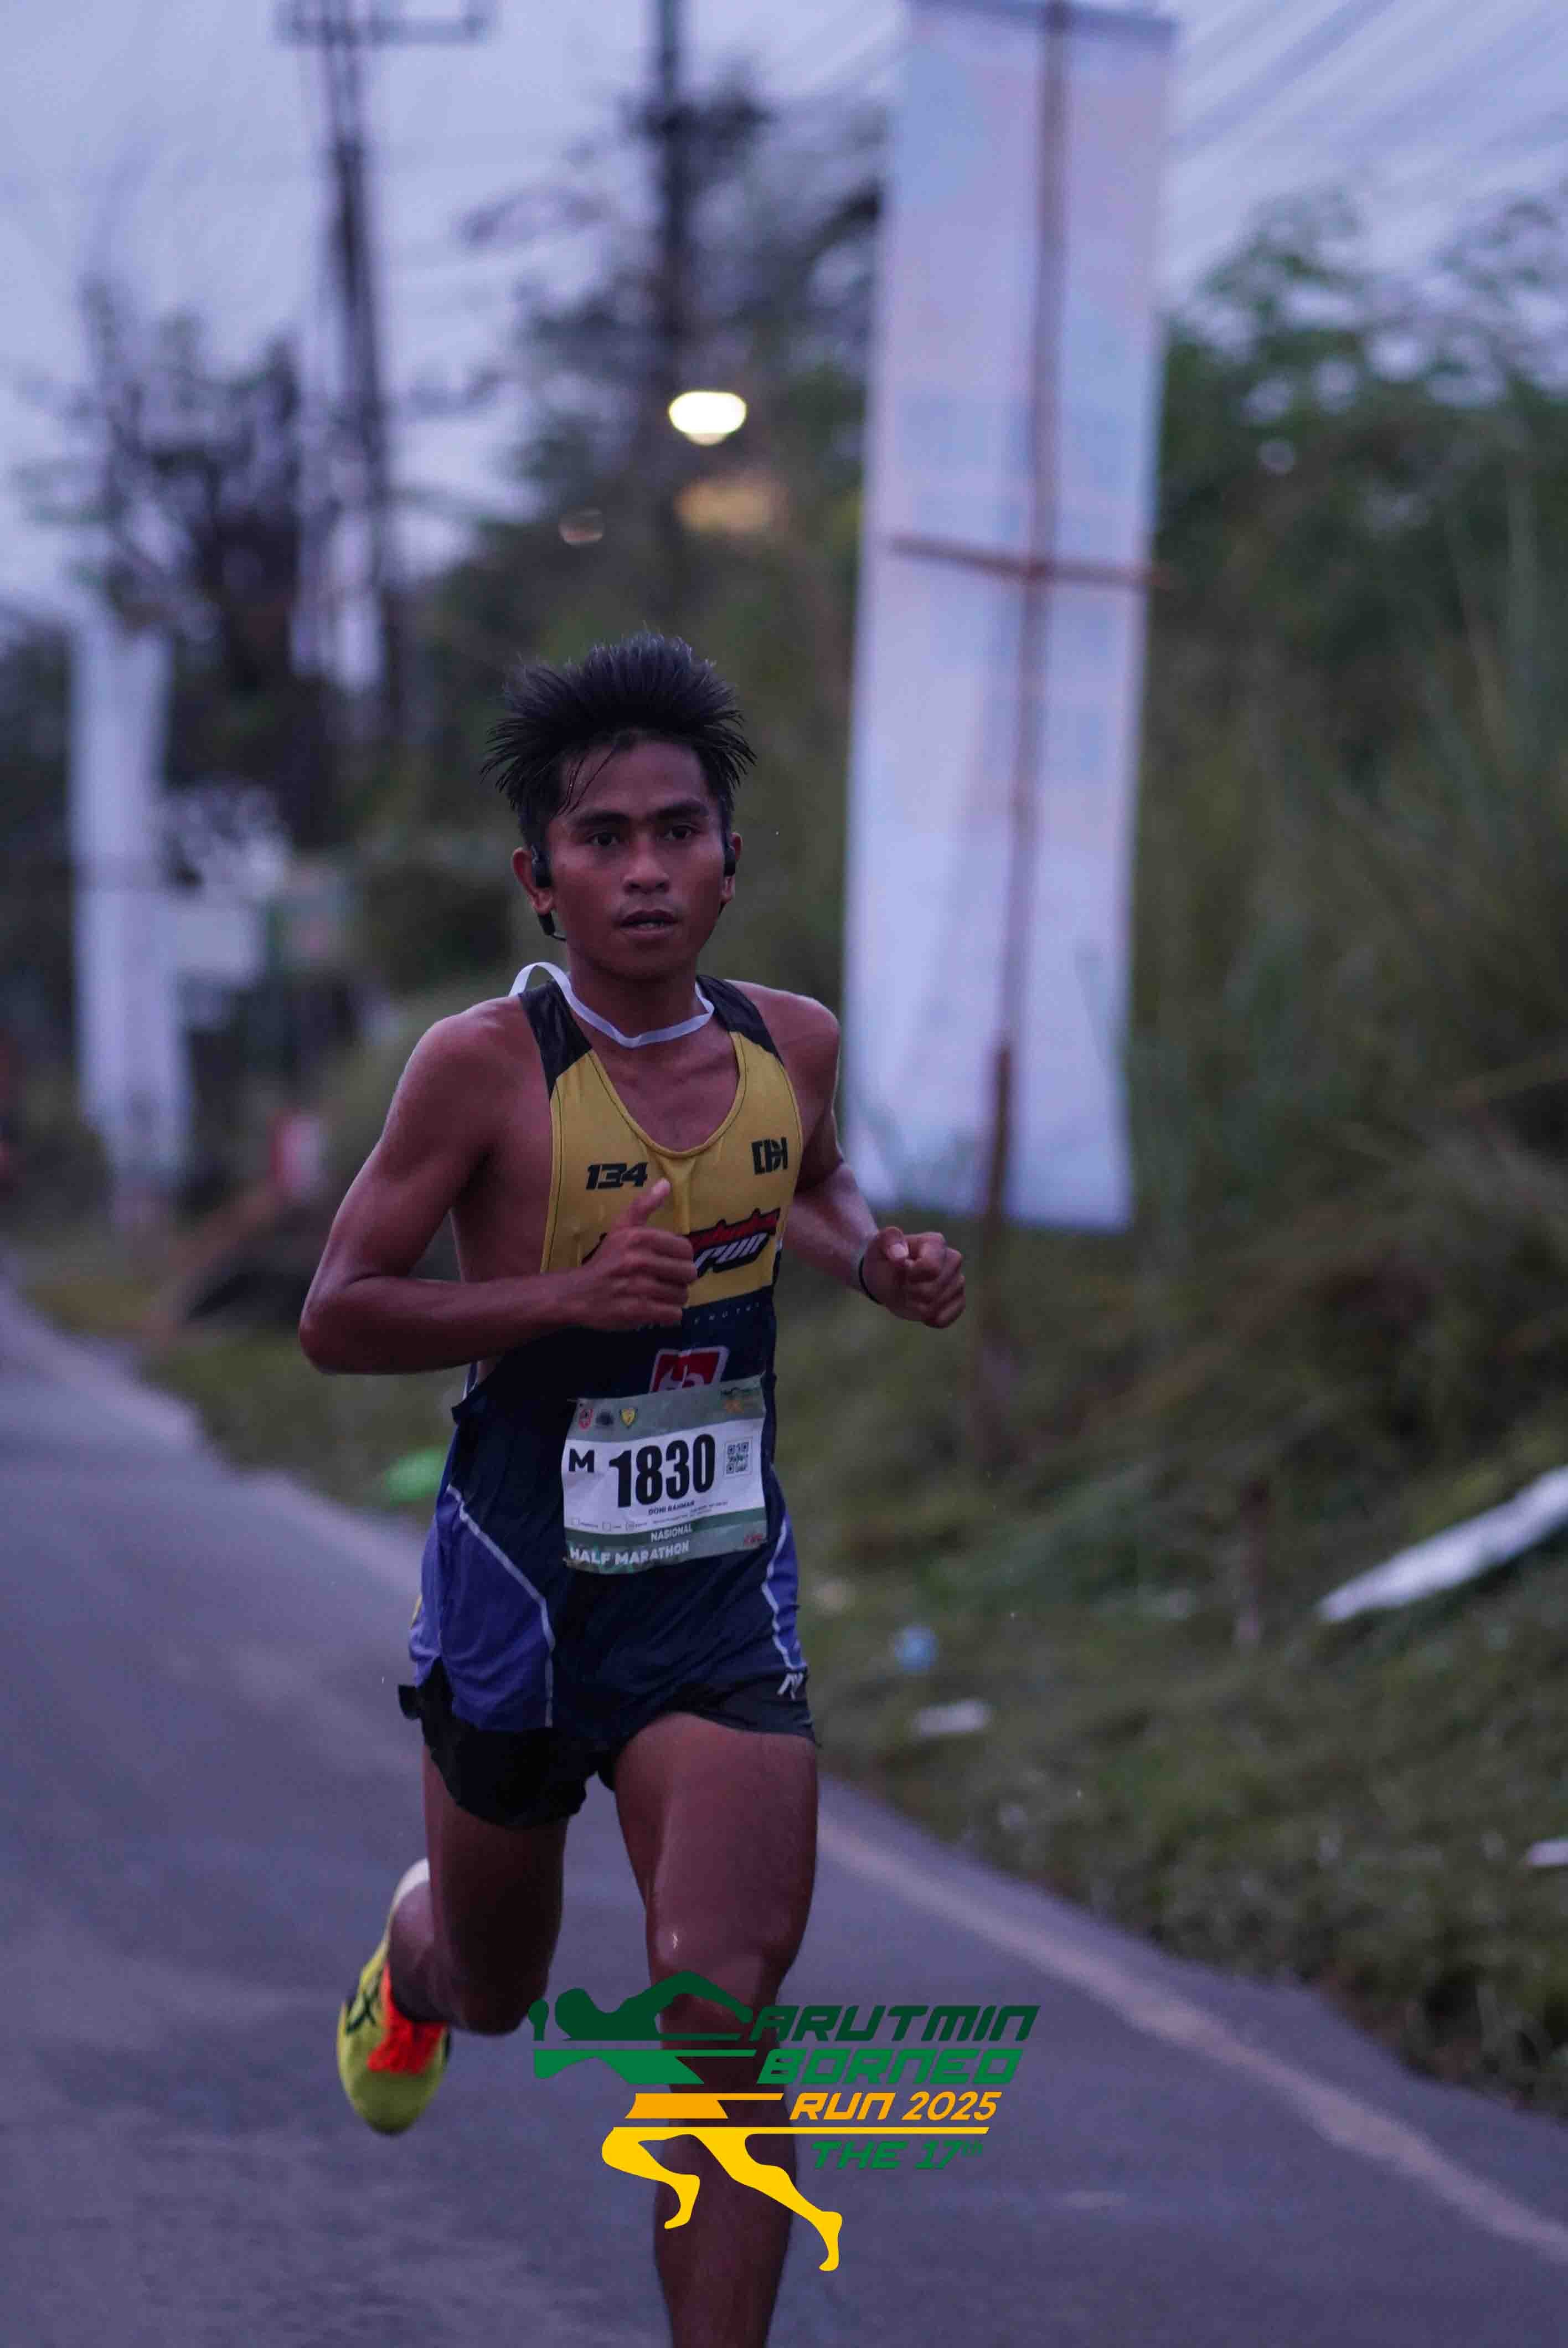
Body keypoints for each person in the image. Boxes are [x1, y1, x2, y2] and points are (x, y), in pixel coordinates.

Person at [299, 632, 965, 2347]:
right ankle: (414, 1955)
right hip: (523, 1587)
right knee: (499, 1987)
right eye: (604, 839)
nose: (648, 867)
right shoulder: (480, 1069)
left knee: (722, 2014)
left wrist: (873, 1261)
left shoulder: (791, 1041)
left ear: (732, 862)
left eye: (680, 831)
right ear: (541, 879)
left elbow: (805, 1183)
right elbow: (337, 1313)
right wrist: (560, 1302)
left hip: (712, 1582)